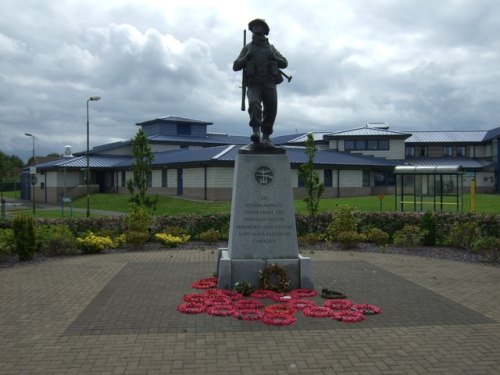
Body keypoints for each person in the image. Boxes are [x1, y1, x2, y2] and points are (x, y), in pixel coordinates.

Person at [233, 19, 288, 147]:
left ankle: (266, 136)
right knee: (254, 104)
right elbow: (236, 66)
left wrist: (275, 58)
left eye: (260, 26)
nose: (257, 28)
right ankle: (256, 132)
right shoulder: (248, 48)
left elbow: (285, 63)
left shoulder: (271, 48)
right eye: (254, 26)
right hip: (254, 84)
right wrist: (246, 57)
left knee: (271, 109)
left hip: (269, 83)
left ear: (265, 30)